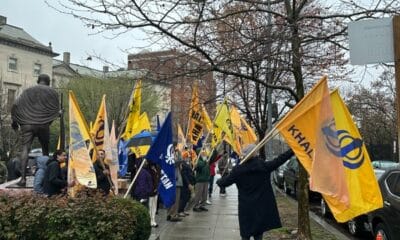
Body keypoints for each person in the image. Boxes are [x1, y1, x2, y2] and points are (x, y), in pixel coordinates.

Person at [217, 144, 294, 240]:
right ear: (255, 154)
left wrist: (219, 181)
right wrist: (292, 150)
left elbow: (223, 183)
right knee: (258, 235)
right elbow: (279, 160)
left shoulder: (238, 170)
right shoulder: (263, 166)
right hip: (260, 209)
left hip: (246, 210)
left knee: (245, 235)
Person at [11, 74, 60, 186]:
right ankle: (47, 178)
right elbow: (56, 111)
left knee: (25, 149)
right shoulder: (52, 92)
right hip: (43, 124)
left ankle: (22, 179)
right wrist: (49, 120)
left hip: (27, 124)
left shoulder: (27, 91)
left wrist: (14, 122)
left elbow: (14, 105)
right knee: (45, 150)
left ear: (38, 80)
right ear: (48, 82)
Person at [148, 162, 161, 227]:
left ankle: (153, 219)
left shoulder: (157, 168)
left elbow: (158, 177)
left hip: (156, 188)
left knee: (154, 205)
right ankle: (150, 220)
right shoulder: (148, 169)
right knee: (150, 205)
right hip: (151, 189)